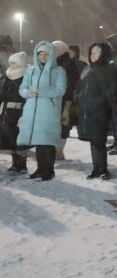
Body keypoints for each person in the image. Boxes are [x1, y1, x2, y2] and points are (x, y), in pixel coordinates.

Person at [17, 41, 67, 181]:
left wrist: (41, 91)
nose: (43, 57)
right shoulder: (30, 70)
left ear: (51, 55)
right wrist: (29, 93)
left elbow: (60, 90)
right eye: (40, 54)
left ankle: (48, 171)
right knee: (38, 142)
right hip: (32, 111)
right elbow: (22, 89)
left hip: (48, 111)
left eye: (46, 54)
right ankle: (40, 169)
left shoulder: (58, 71)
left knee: (47, 142)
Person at [75, 43, 117, 180]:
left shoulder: (108, 69)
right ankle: (96, 168)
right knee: (93, 141)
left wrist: (99, 100)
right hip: (86, 110)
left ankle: (103, 168)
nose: (93, 55)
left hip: (100, 110)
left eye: (97, 53)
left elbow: (112, 89)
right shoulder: (87, 69)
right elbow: (78, 86)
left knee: (99, 140)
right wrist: (78, 97)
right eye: (92, 53)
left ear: (103, 54)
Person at [1, 52, 29, 174]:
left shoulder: (26, 75)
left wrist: (24, 113)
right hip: (7, 111)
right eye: (11, 62)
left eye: (14, 62)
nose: (12, 64)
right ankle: (14, 163)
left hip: (19, 111)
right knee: (9, 137)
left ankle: (22, 164)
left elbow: (26, 96)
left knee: (19, 138)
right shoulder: (8, 75)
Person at [53, 40, 80, 160]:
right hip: (58, 99)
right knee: (59, 125)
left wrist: (68, 101)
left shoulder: (67, 64)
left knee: (64, 125)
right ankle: (56, 150)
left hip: (66, 100)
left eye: (55, 49)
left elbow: (71, 84)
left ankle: (59, 152)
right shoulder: (56, 62)